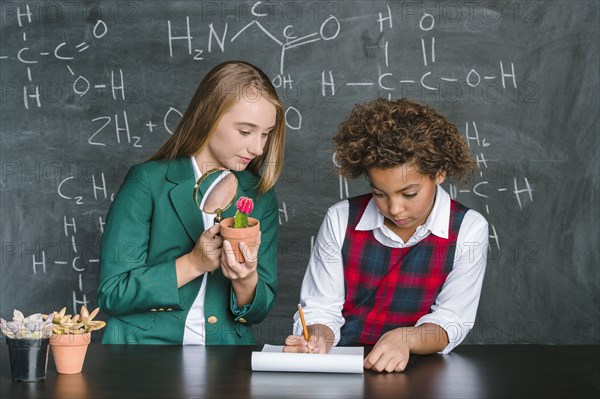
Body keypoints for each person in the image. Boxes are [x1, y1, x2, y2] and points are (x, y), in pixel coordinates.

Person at [284, 98, 488, 372]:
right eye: (379, 194)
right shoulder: (340, 219)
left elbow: (452, 320)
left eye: (409, 193)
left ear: (439, 172)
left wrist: (407, 337)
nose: (394, 208)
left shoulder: (469, 229)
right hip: (347, 365)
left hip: (422, 372)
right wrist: (319, 336)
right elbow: (322, 307)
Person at [98, 61, 285, 345]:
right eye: (245, 132)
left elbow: (257, 312)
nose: (258, 148)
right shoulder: (148, 182)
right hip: (144, 352)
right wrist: (193, 263)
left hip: (226, 356)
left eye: (266, 133)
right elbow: (113, 294)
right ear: (208, 118)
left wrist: (245, 279)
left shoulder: (259, 195)